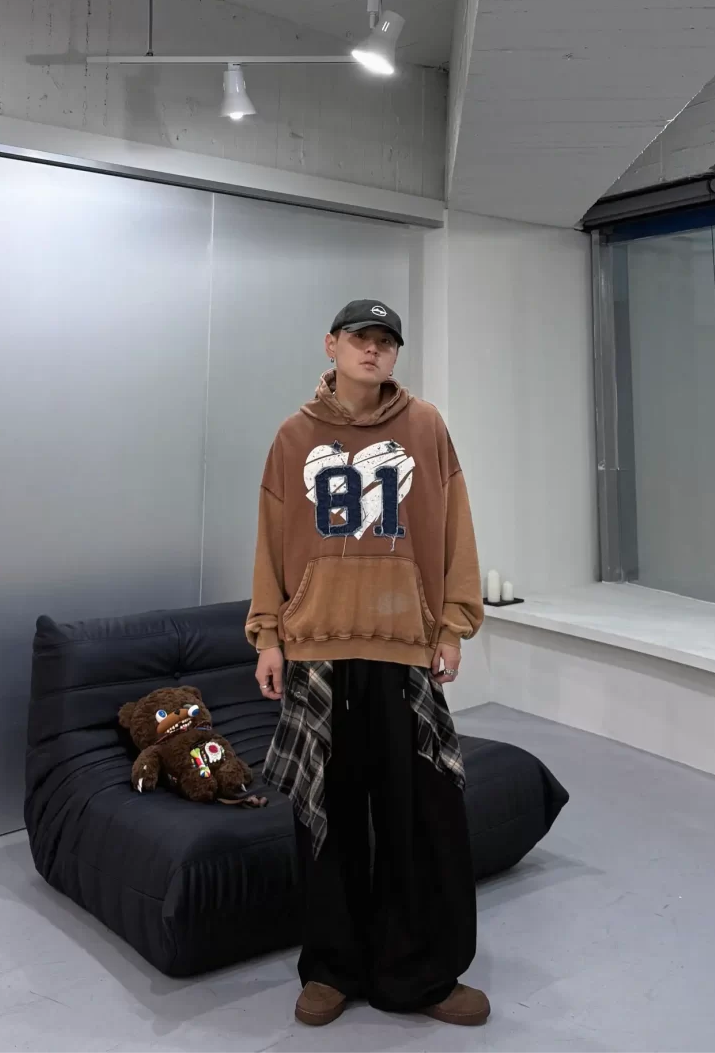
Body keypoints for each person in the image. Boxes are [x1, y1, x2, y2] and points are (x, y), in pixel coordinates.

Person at [246, 299, 488, 1027]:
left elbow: (456, 527)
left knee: (421, 817)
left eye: (386, 341)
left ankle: (419, 974)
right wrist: (268, 635)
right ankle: (331, 969)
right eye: (360, 338)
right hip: (318, 652)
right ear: (332, 345)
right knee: (324, 816)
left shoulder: (426, 427)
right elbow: (269, 539)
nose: (373, 350)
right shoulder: (293, 436)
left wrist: (453, 625)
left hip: (403, 650)